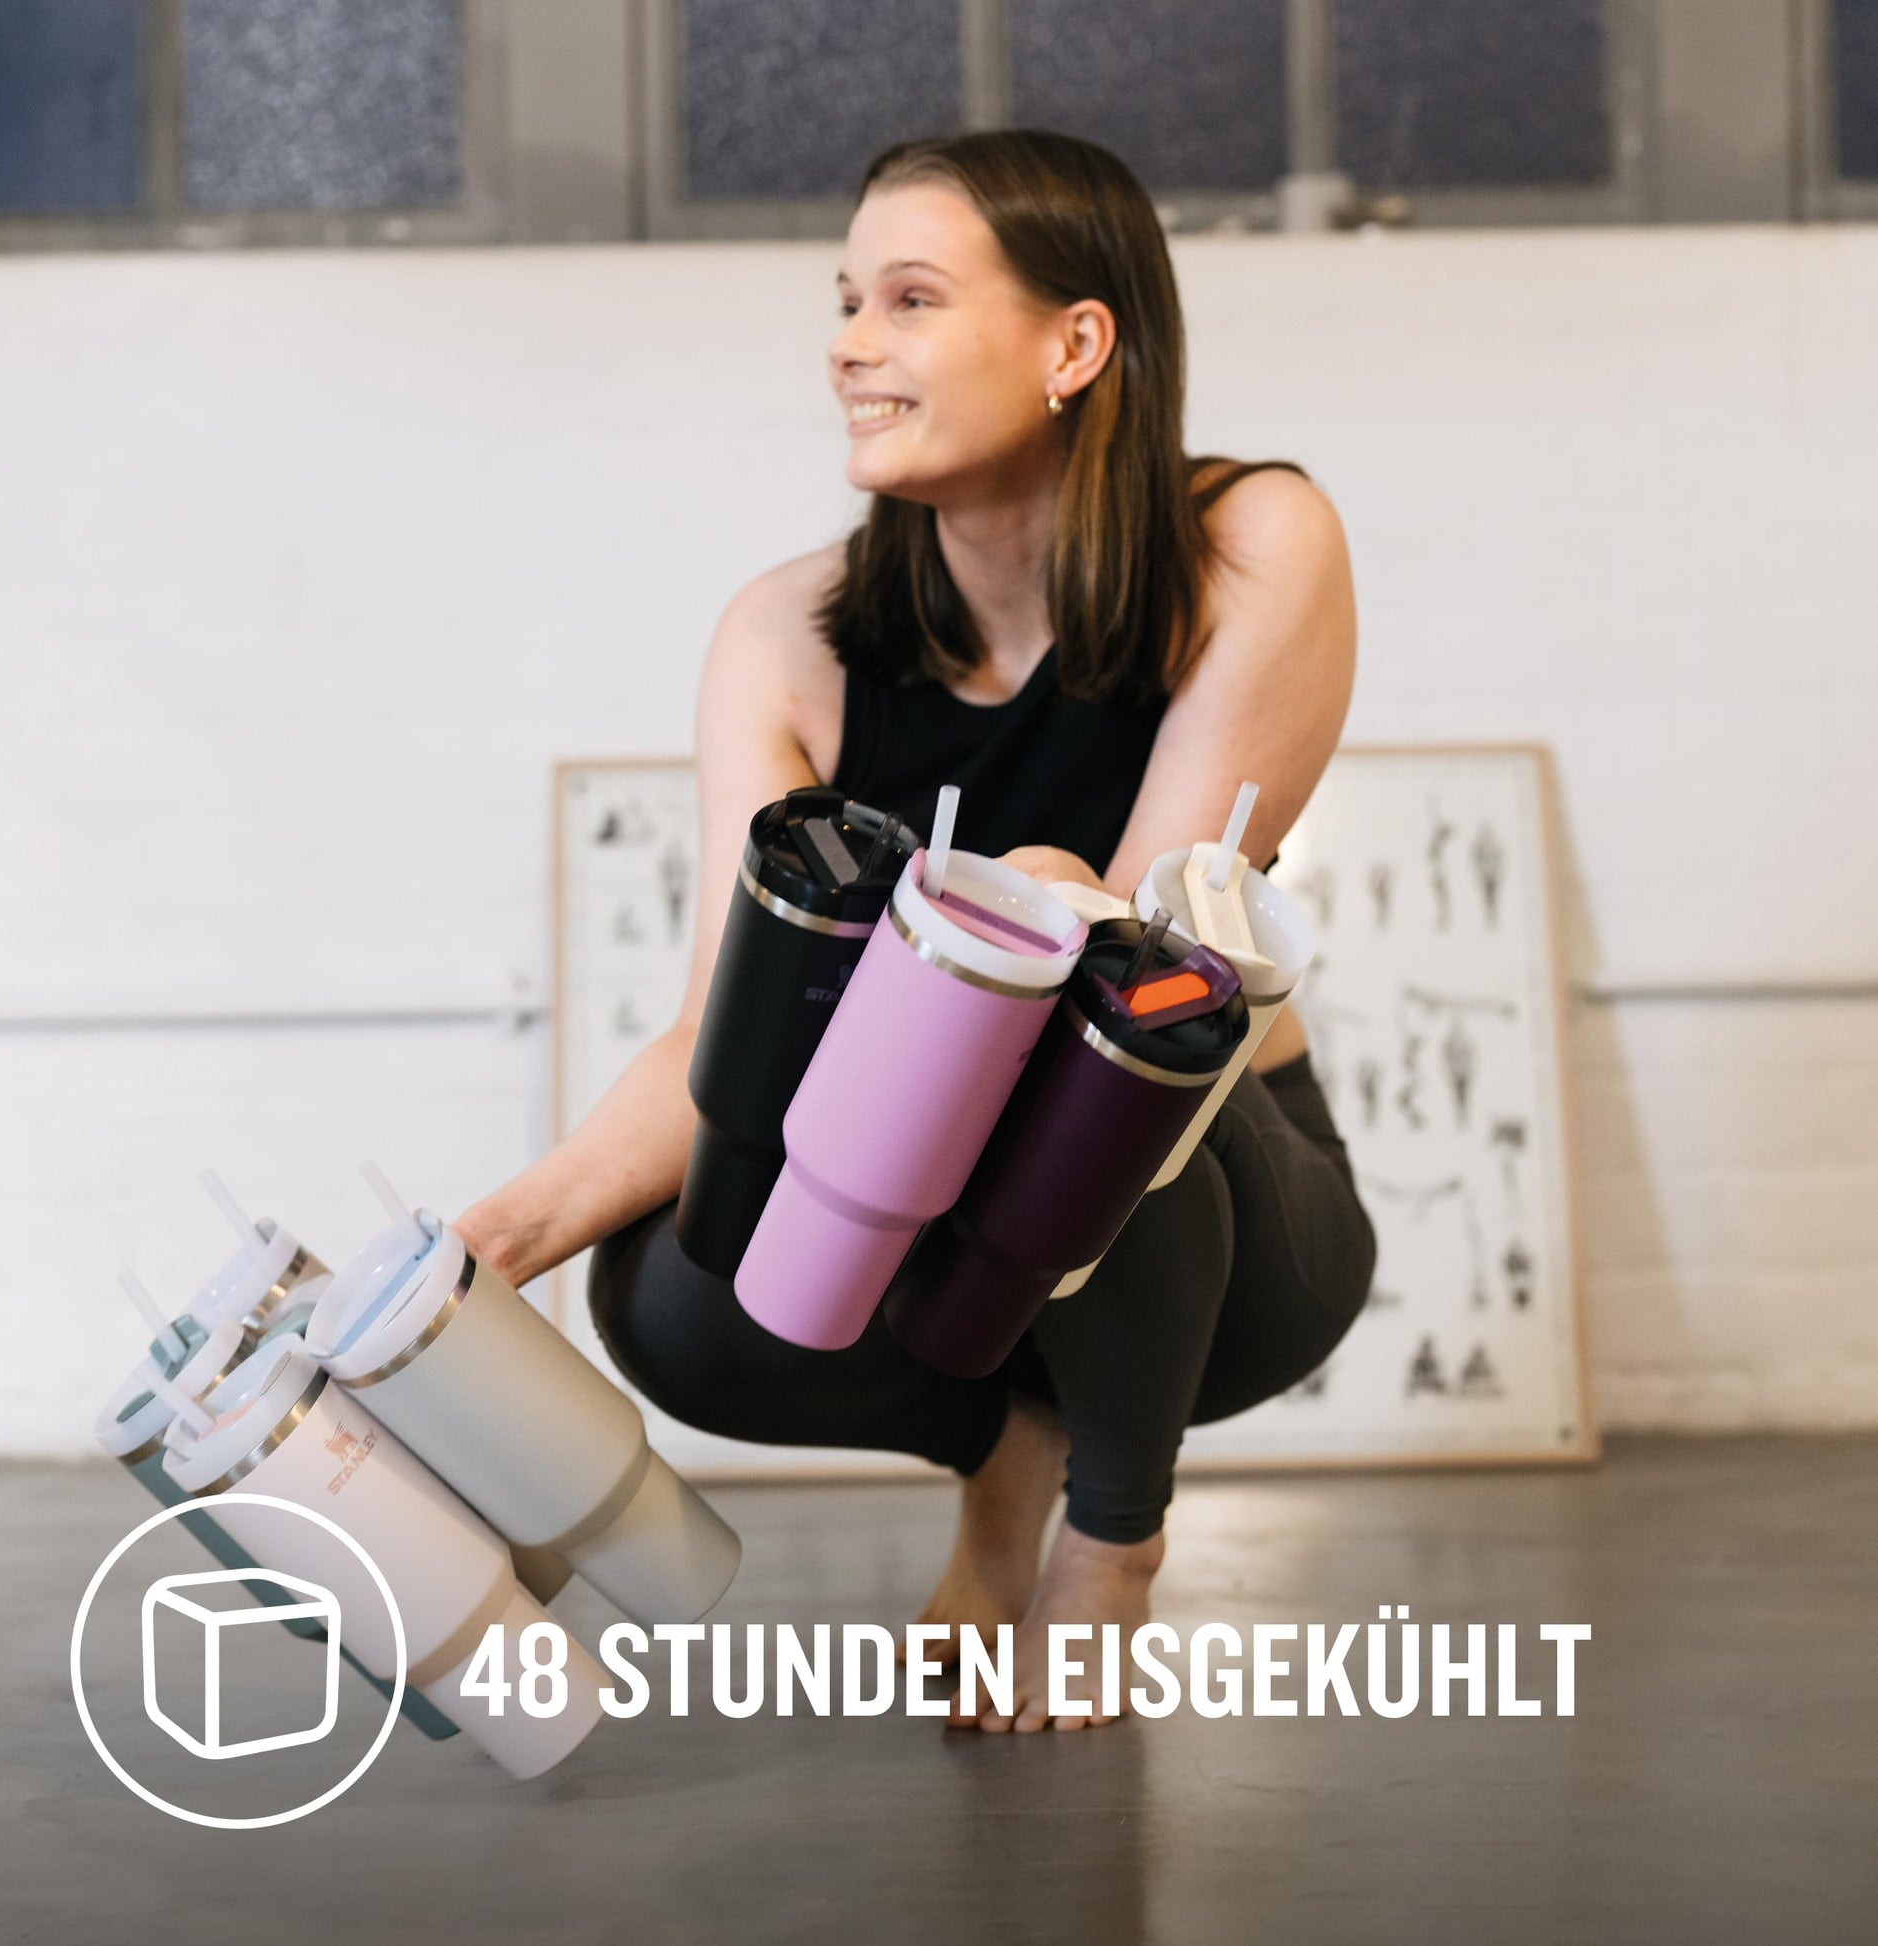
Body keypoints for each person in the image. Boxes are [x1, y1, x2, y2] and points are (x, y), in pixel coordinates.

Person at [458, 129, 1375, 1733]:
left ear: (1072, 344)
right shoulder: (786, 637)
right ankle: (1003, 1445)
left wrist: (1028, 896)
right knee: (667, 1286)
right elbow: (719, 1040)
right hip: (942, 1227)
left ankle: (1109, 1539)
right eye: (844, 301)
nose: (846, 344)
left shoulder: (1254, 544)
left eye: (908, 299)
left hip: (1223, 1225)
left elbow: (1143, 963)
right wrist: (493, 1246)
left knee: (1064, 957)